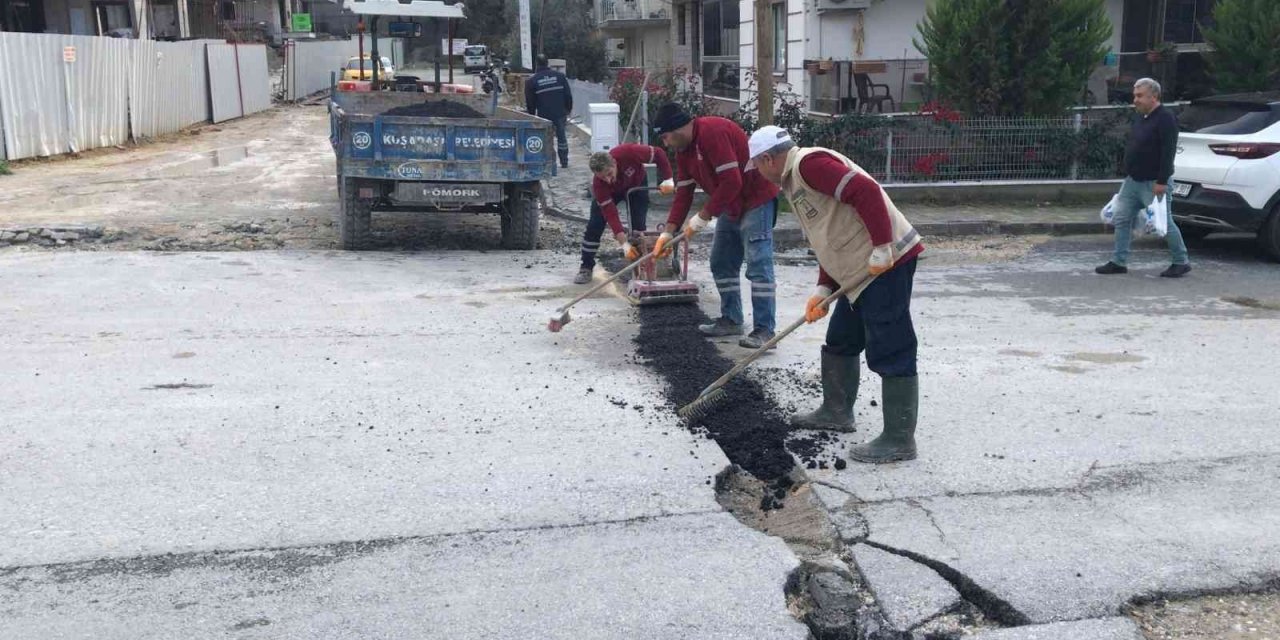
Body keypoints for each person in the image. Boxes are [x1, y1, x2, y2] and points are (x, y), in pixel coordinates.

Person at [747, 124, 924, 464]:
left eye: (756, 165)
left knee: (891, 345)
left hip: (886, 263)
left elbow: (866, 192)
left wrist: (883, 247)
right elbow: (830, 236)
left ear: (768, 159)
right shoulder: (794, 181)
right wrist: (823, 289)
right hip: (861, 269)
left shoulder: (809, 166)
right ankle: (837, 412)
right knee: (842, 339)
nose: (756, 172)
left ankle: (900, 439)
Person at [651, 103, 781, 349]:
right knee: (721, 262)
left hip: (756, 200)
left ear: (679, 127)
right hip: (730, 206)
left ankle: (765, 330)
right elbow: (684, 193)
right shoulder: (684, 150)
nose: (666, 143)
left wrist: (703, 216)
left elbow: (732, 182)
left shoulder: (712, 132)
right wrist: (668, 231)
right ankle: (732, 319)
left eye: (666, 136)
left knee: (758, 264)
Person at [1096, 77, 1191, 278]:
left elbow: (1168, 151)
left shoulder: (1165, 118)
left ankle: (1180, 261)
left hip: (1153, 182)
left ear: (1153, 96)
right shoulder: (1141, 117)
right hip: (1133, 180)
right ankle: (1118, 261)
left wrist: (1162, 181)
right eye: (1135, 95)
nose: (1135, 100)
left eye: (1140, 96)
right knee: (1122, 218)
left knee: (1164, 222)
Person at [575, 145, 676, 284]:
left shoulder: (628, 153)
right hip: (612, 192)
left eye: (609, 174)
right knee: (595, 225)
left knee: (638, 228)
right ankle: (586, 267)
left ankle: (641, 267)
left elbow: (658, 153)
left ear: (615, 163)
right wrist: (623, 243)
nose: (608, 179)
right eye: (602, 177)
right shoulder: (600, 185)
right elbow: (611, 215)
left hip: (637, 184)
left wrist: (668, 178)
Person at [525, 54, 573, 168]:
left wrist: (532, 116)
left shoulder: (532, 81)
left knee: (547, 139)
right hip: (560, 112)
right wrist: (568, 110)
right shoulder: (560, 77)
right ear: (547, 63)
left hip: (544, 115)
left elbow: (530, 102)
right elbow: (568, 96)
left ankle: (550, 163)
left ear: (536, 64)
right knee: (562, 138)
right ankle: (564, 162)